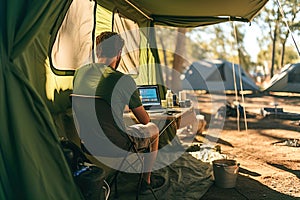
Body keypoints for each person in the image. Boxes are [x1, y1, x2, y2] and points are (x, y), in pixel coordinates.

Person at [73, 31, 164, 193]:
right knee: (153, 130)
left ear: (97, 51)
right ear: (119, 53)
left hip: (87, 144)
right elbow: (144, 120)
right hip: (116, 145)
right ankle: (146, 181)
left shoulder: (80, 73)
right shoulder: (123, 80)